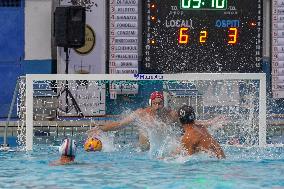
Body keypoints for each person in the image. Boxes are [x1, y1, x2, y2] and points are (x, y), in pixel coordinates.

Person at [87, 91, 226, 151]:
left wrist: (210, 122)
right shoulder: (141, 114)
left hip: (160, 148)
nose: (158, 106)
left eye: (160, 103)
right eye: (155, 103)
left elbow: (189, 122)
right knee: (144, 133)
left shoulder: (170, 114)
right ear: (150, 103)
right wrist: (100, 129)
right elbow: (119, 124)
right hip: (144, 149)